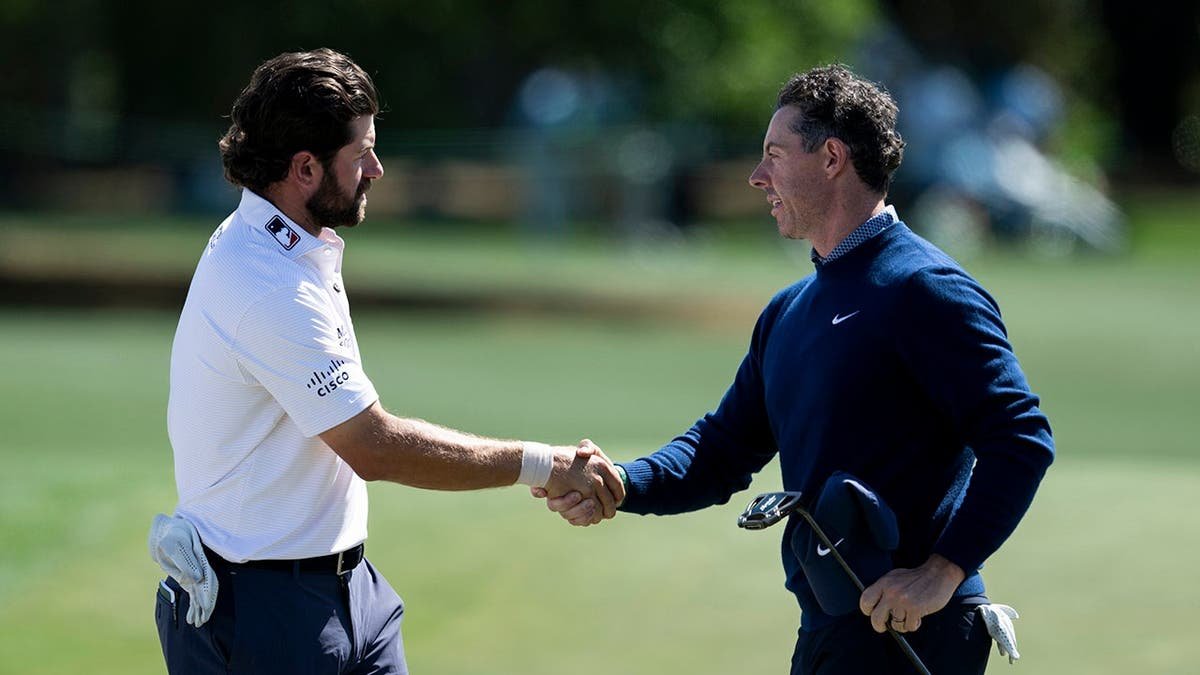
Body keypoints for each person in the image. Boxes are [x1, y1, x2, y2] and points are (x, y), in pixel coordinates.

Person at [538, 64, 1054, 674]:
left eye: (774, 156)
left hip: (916, 634)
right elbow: (722, 449)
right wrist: (622, 482)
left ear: (832, 157)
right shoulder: (789, 311)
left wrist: (944, 571)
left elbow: (1021, 439)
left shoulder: (925, 289)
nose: (758, 177)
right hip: (832, 631)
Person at [149, 48, 623, 675]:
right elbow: (373, 446)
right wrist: (545, 463)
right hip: (266, 613)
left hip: (345, 589)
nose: (376, 167)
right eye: (361, 153)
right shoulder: (268, 284)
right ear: (306, 168)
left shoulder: (290, 247)